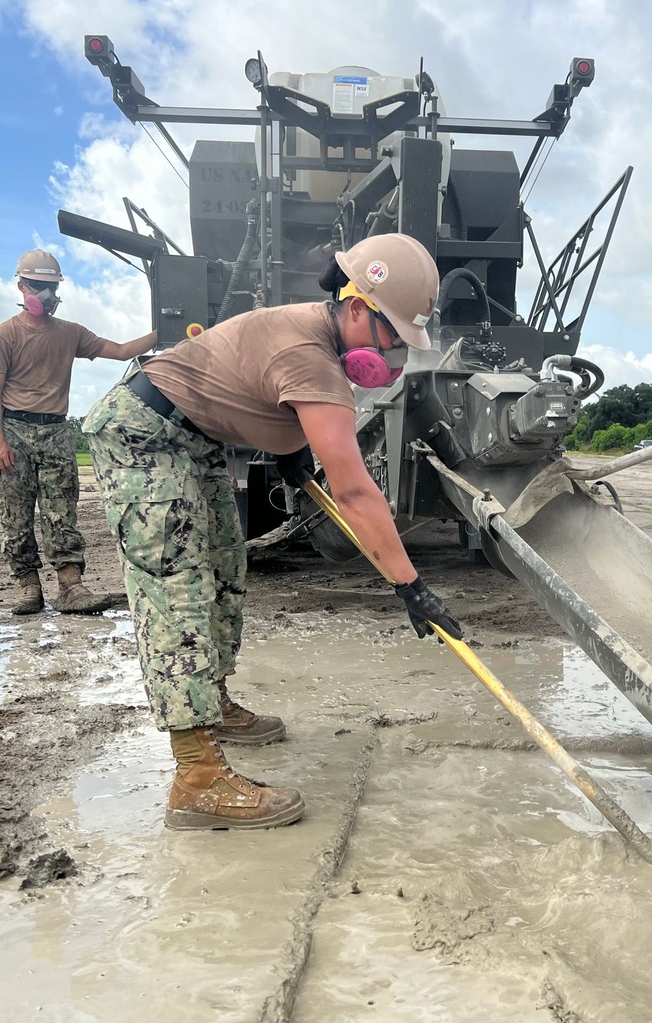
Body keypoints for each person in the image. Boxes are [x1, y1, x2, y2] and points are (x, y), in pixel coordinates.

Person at [82, 232, 462, 832]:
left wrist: (288, 446)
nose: (391, 354)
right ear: (356, 306)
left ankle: (214, 701)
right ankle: (197, 777)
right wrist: (410, 586)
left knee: (226, 573)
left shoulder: (320, 336)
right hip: (145, 437)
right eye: (391, 335)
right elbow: (356, 492)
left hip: (197, 439)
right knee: (177, 590)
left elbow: (247, 386)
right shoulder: (309, 355)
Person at [0, 249, 157, 616]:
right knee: (15, 515)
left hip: (55, 431)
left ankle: (71, 587)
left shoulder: (70, 333)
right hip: (14, 430)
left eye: (51, 287)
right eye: (38, 286)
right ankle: (28, 588)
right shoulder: (6, 334)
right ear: (22, 286)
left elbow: (120, 351)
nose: (45, 294)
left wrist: (165, 330)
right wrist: (0, 442)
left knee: (61, 513)